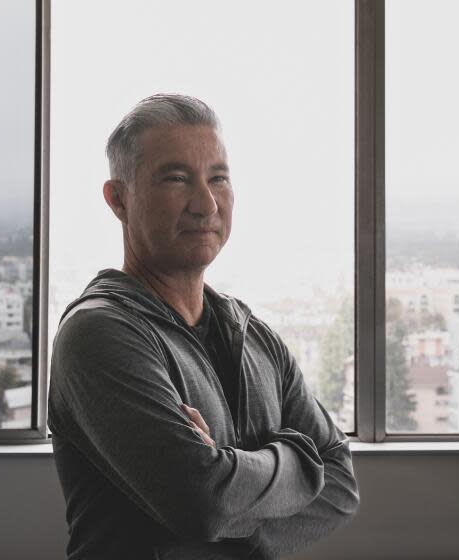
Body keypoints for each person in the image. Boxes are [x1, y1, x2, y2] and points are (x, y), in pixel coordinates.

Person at [48, 93, 359, 559]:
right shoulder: (98, 334)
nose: (205, 203)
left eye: (218, 178)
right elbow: (202, 501)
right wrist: (296, 458)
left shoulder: (255, 336)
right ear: (118, 199)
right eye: (176, 178)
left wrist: (229, 493)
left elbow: (339, 485)